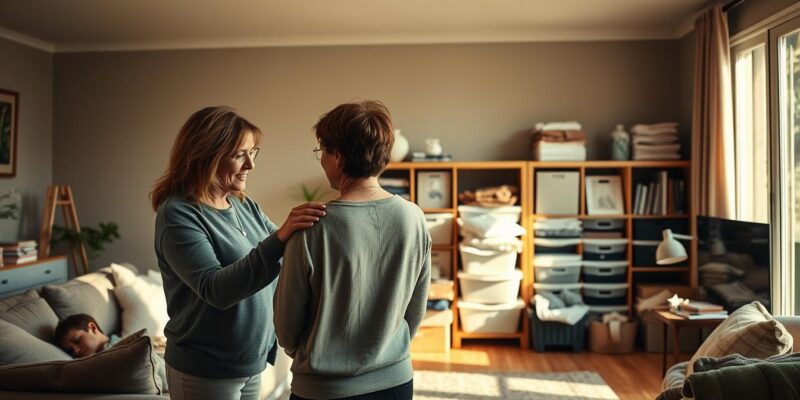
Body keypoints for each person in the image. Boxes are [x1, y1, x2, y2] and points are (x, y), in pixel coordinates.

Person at [150, 106, 327, 400]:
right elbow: (215, 289)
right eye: (238, 155)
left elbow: (288, 252)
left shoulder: (245, 206)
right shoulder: (178, 214)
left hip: (251, 362)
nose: (250, 165)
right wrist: (281, 236)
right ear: (205, 157)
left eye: (253, 152)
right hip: (204, 370)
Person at [274, 100, 431, 400]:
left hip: (324, 389)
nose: (321, 160)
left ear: (338, 157)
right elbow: (415, 309)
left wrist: (310, 353)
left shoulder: (310, 225)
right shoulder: (414, 217)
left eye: (322, 150)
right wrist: (386, 351)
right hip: (395, 382)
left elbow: (286, 327)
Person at [54, 313, 120, 358]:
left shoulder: (122, 346)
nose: (76, 351)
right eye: (71, 350)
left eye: (77, 341)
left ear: (93, 328)